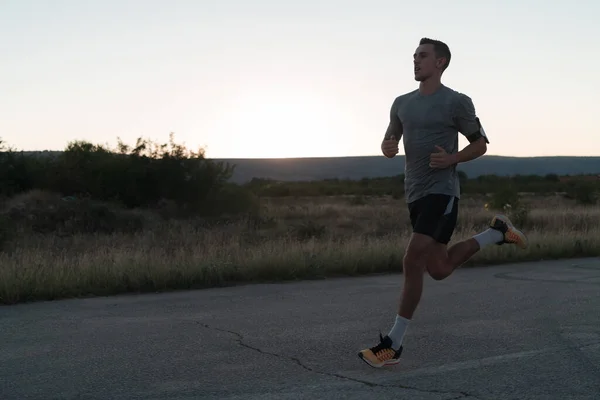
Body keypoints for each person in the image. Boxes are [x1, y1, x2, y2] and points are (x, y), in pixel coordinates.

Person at [357, 37, 529, 368]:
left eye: (422, 56)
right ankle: (496, 232)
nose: (415, 61)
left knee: (412, 260)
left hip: (443, 192)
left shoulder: (457, 102)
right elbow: (388, 139)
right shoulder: (401, 103)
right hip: (415, 194)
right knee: (439, 269)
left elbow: (479, 144)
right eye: (414, 56)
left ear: (441, 63)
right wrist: (387, 146)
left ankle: (393, 344)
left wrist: (452, 158)